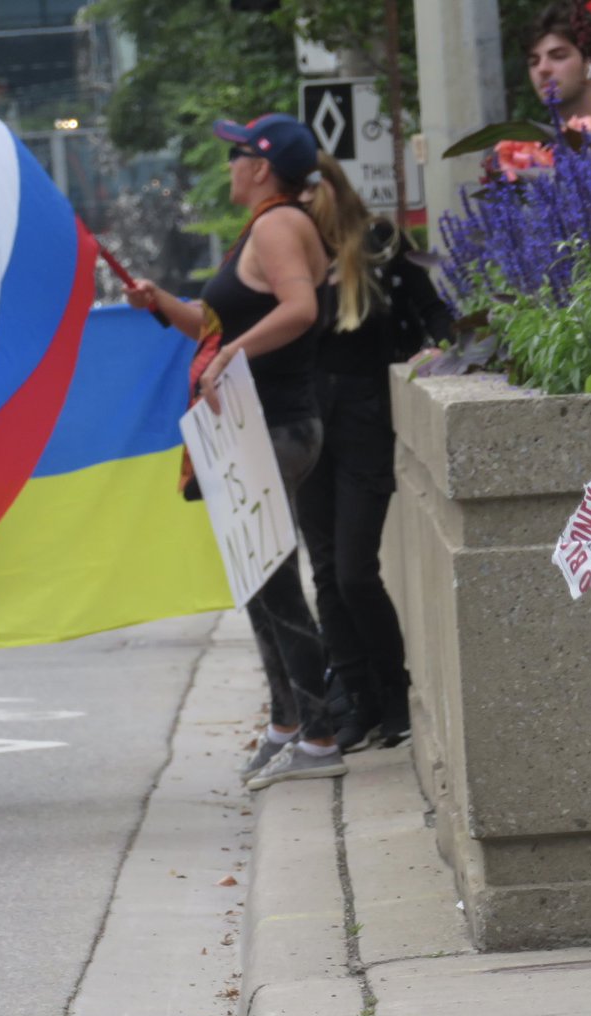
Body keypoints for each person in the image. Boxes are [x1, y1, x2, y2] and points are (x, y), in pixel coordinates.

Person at [123, 113, 343, 792]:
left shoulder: (279, 225)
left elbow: (299, 308)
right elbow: (223, 325)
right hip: (257, 429)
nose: (228, 166)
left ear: (260, 166)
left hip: (274, 428)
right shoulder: (264, 225)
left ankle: (321, 730)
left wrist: (233, 358)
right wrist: (161, 302)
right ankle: (287, 722)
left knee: (273, 583)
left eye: (235, 155)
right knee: (256, 580)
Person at [299, 153, 453, 753]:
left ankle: (394, 693)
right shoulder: (287, 252)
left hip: (365, 416)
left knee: (354, 569)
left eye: (308, 191)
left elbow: (429, 307)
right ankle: (355, 702)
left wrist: (446, 352)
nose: (301, 205)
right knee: (326, 574)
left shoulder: (382, 243)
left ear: (327, 189)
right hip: (307, 422)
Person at [524, 2, 591, 126]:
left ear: (590, 65)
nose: (542, 68)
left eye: (558, 56)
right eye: (534, 62)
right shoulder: (537, 142)